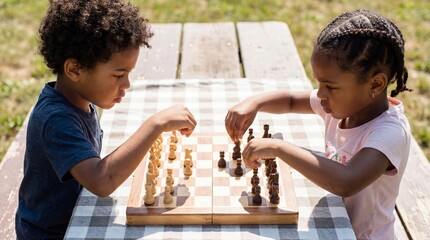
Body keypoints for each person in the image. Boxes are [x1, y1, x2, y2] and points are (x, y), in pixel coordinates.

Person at [15, 1, 196, 239]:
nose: (127, 85)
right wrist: (155, 124)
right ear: (75, 70)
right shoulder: (56, 119)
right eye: (119, 75)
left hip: (76, 215)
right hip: (52, 233)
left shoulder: (78, 98)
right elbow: (102, 181)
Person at [225, 9, 411, 239]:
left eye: (330, 87)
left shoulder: (389, 133)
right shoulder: (341, 106)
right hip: (333, 220)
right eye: (319, 84)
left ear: (375, 84)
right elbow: (292, 101)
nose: (321, 95)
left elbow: (347, 182)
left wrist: (278, 147)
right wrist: (254, 103)